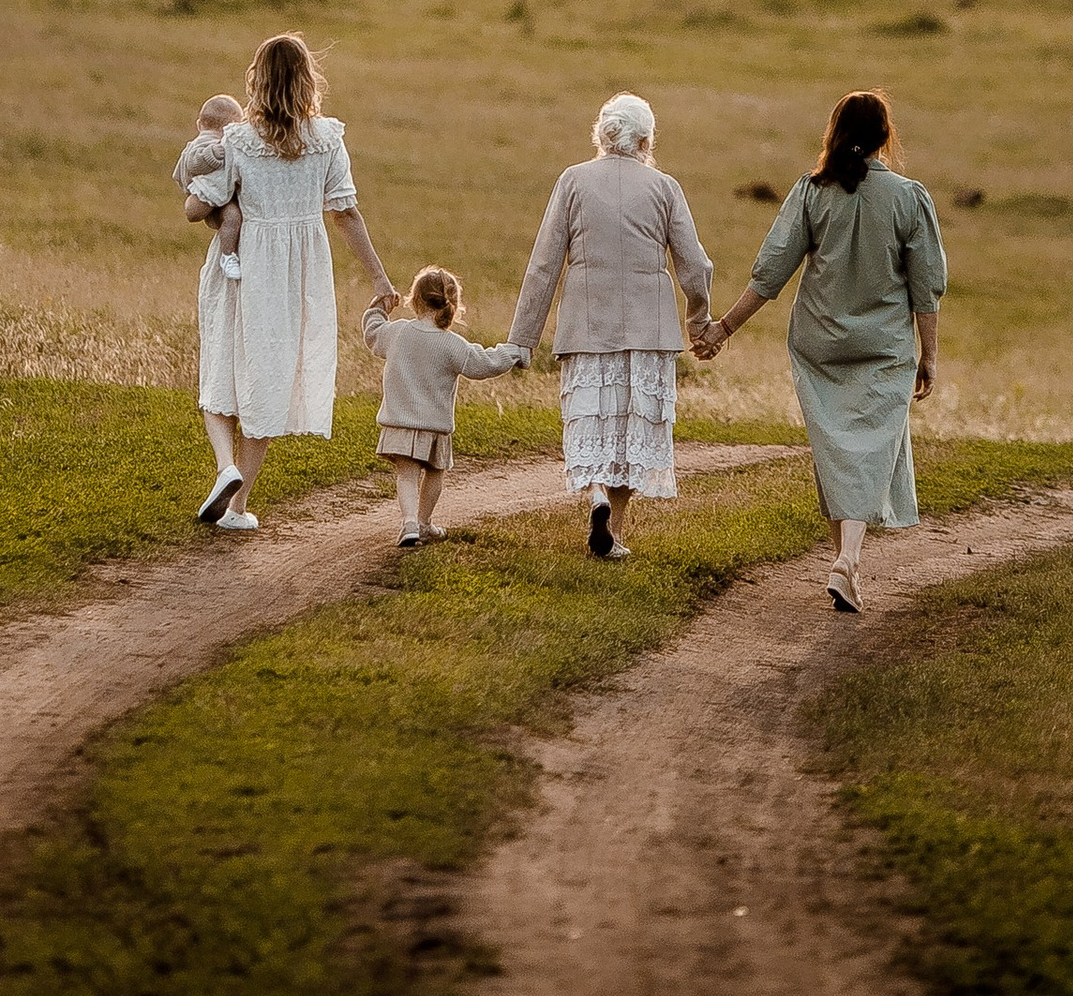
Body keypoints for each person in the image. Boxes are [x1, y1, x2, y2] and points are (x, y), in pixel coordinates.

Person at [698, 88, 945, 615]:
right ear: (883, 138)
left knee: (836, 449)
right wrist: (930, 355)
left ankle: (844, 565)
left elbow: (771, 272)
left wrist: (724, 329)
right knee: (870, 450)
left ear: (835, 133)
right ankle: (848, 562)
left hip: (819, 344)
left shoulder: (811, 192)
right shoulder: (908, 197)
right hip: (883, 347)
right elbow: (926, 286)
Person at [187, 31, 396, 531]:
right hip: (298, 272)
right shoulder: (326, 140)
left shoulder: (236, 141)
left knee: (222, 365)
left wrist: (214, 204)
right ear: (307, 81)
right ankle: (237, 508)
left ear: (257, 80)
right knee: (268, 377)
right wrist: (380, 278)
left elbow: (199, 205)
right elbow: (346, 213)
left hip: (243, 263)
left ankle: (226, 468)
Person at [506, 91, 711, 559]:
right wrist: (699, 319)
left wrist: (522, 340)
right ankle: (613, 530)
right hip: (648, 330)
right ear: (644, 140)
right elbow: (695, 265)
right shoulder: (664, 187)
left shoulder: (573, 181)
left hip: (587, 324)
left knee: (592, 420)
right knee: (630, 430)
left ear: (602, 135)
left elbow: (543, 264)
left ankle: (596, 492)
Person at [361, 268, 526, 545]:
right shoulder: (452, 344)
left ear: (414, 300)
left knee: (407, 475)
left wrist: (378, 306)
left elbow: (372, 332)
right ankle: (424, 522)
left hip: (399, 422)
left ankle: (410, 523)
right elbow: (484, 364)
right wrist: (512, 351)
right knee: (435, 474)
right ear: (453, 306)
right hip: (435, 427)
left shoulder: (398, 332)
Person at [174, 88, 246, 280]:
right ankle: (228, 255)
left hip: (218, 196)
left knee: (233, 218)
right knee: (232, 217)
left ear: (199, 123)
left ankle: (229, 254)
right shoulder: (206, 141)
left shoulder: (217, 141)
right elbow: (193, 163)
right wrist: (212, 155)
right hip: (210, 198)